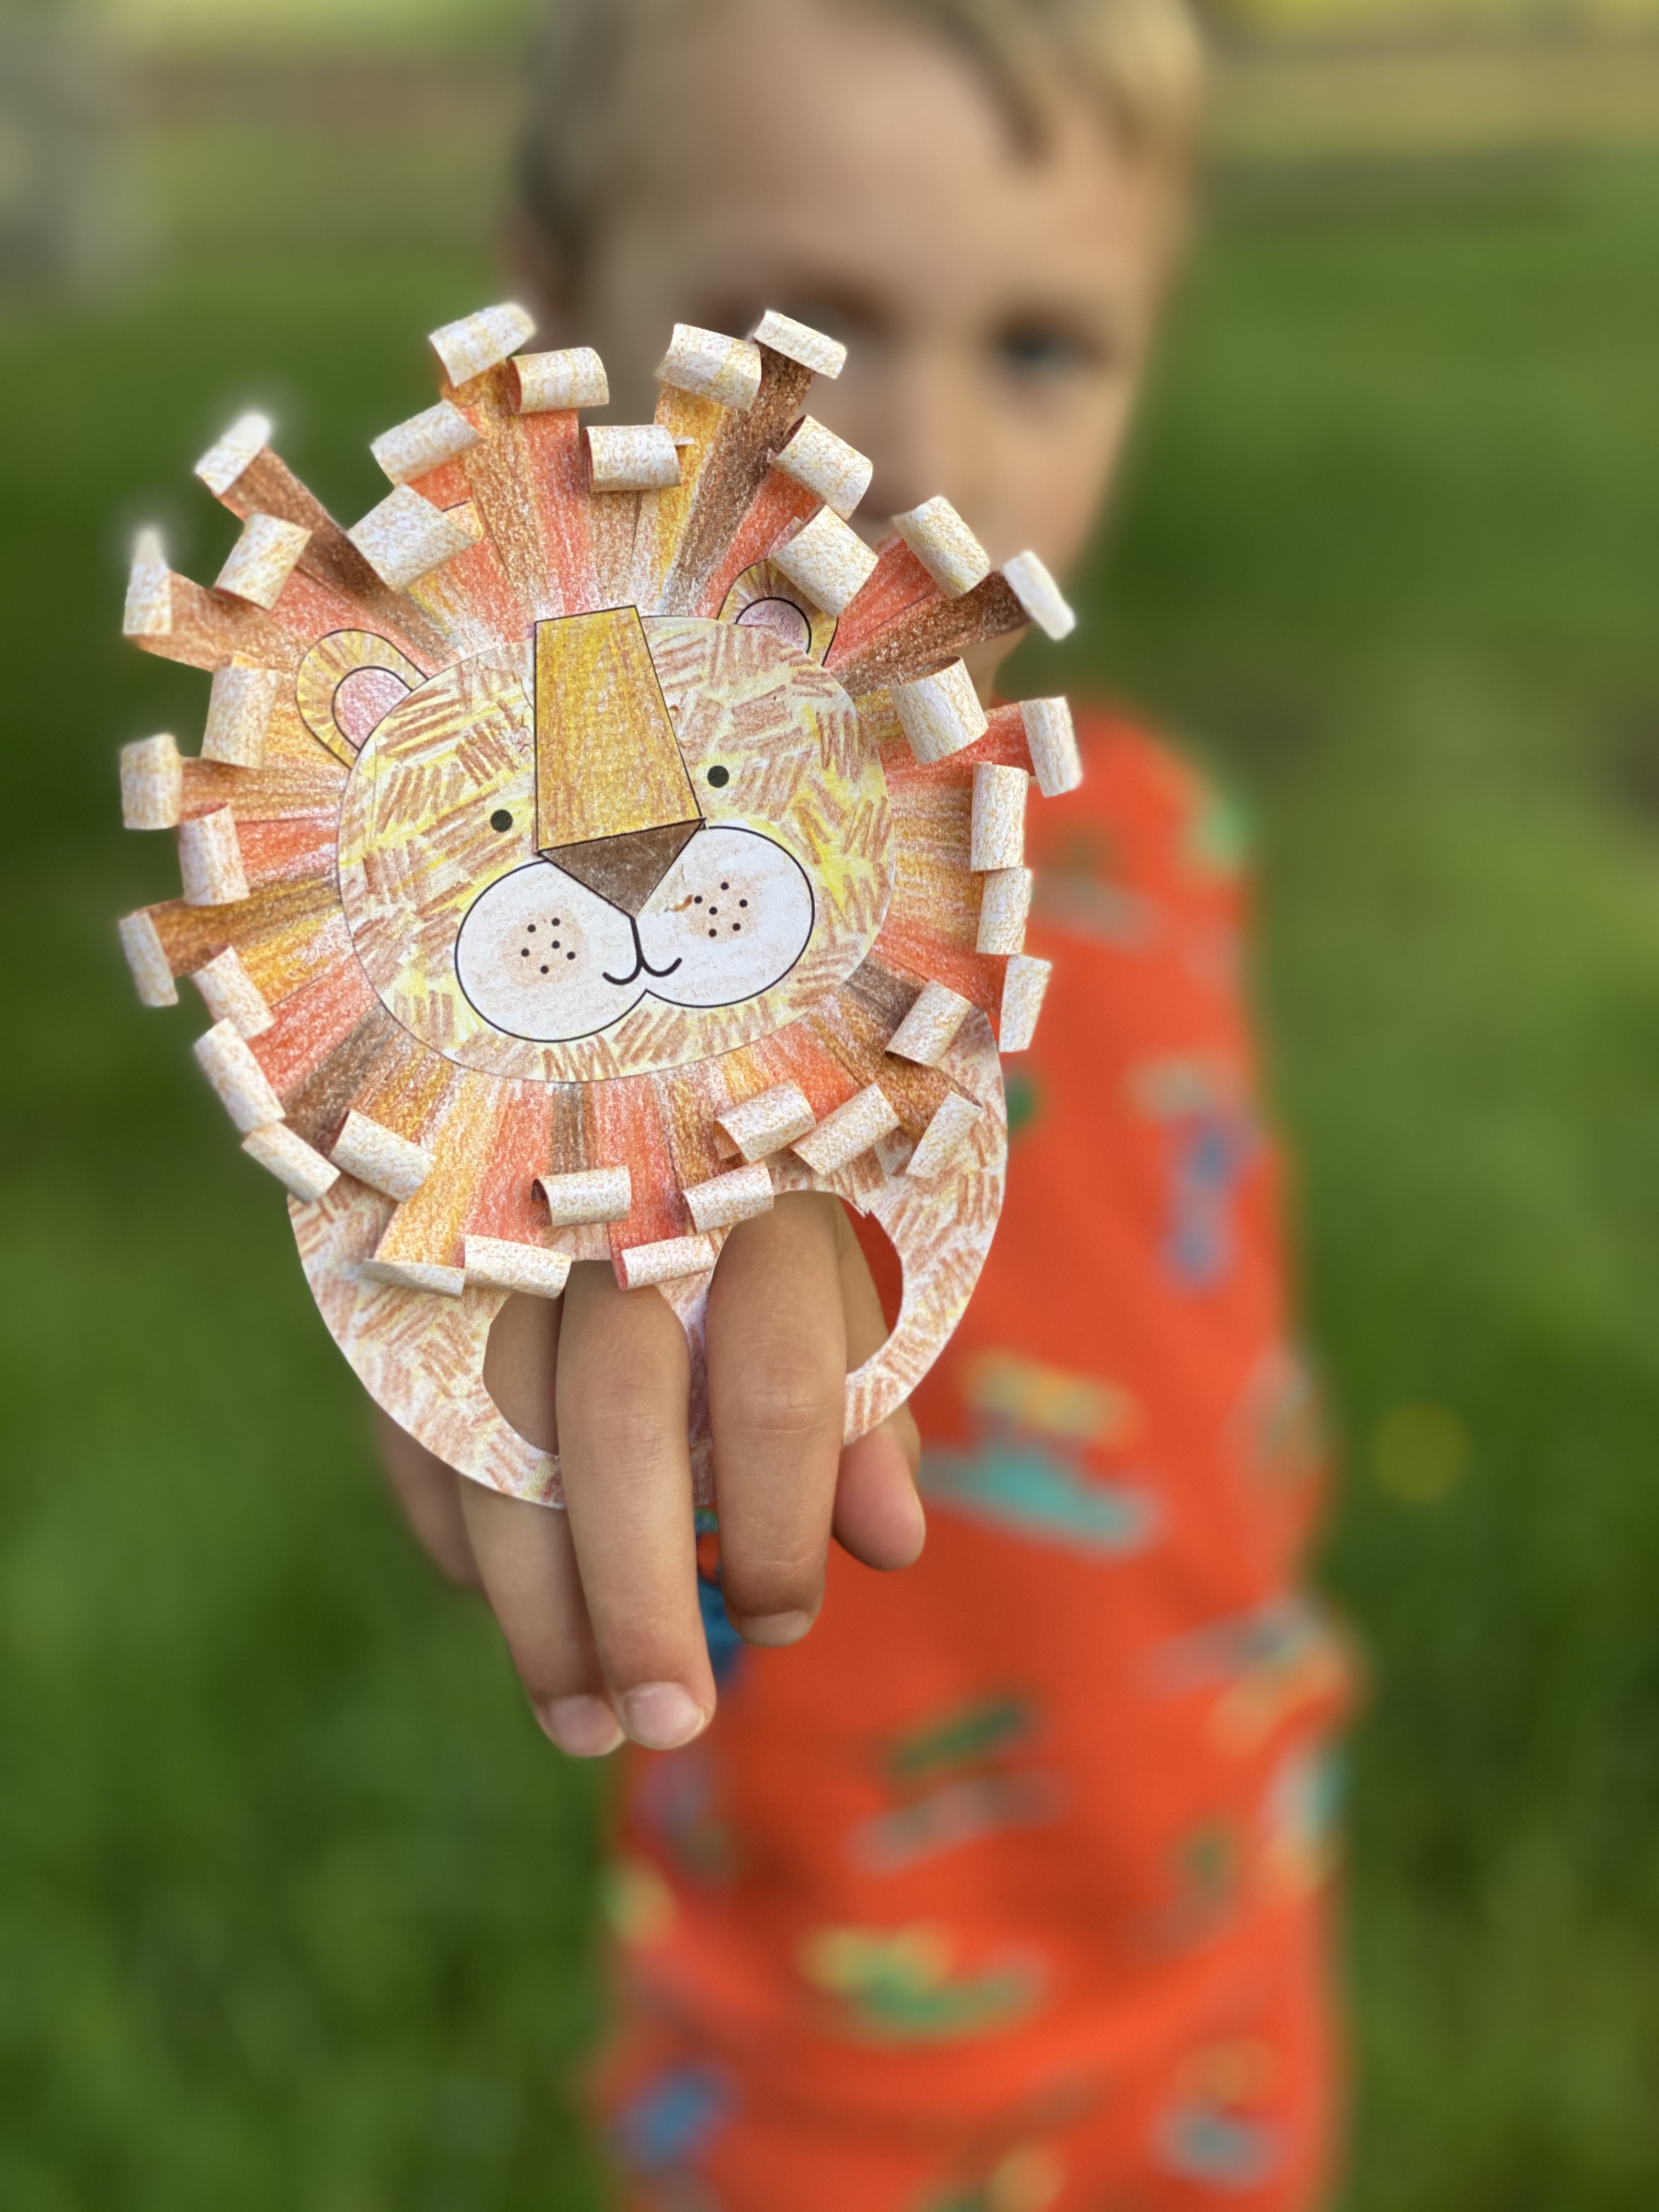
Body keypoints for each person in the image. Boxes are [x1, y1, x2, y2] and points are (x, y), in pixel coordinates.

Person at [380, 1, 1353, 2203]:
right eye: (794, 342)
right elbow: (450, 1082)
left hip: (1231, 1944)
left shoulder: (1159, 833)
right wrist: (476, 1240)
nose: (922, 462)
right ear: (553, 326)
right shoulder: (616, 932)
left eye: (1042, 346)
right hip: (824, 2056)